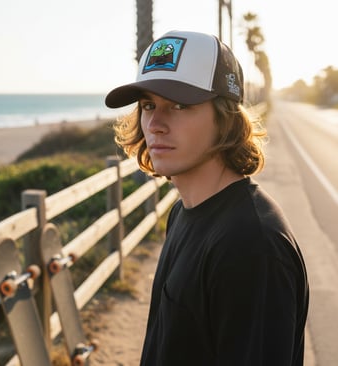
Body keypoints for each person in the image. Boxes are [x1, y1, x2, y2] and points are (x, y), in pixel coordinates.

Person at [105, 30, 309, 366]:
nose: (154, 123)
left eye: (180, 105)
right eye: (148, 105)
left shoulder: (251, 246)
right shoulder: (183, 213)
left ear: (226, 117)